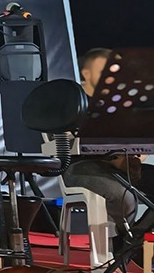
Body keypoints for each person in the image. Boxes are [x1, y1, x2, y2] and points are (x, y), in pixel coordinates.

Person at [64, 47, 154, 255]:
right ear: (86, 73)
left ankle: (131, 243)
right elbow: (64, 140)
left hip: (121, 165)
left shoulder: (122, 103)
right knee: (123, 196)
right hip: (81, 166)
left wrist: (137, 154)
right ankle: (118, 249)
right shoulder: (72, 102)